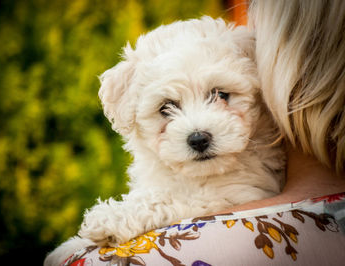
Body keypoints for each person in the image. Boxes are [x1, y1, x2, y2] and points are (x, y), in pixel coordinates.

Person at [61, 1, 345, 265]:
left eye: (221, 95)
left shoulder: (255, 174)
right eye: (167, 108)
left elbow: (228, 205)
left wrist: (144, 211)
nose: (197, 132)